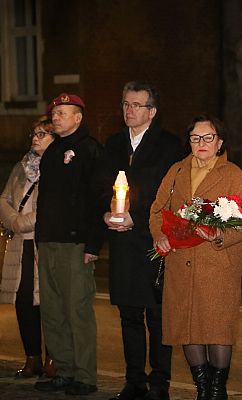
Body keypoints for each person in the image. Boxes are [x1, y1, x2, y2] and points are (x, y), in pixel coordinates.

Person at [150, 115, 242, 399]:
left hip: (217, 266)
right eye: (196, 138)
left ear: (219, 142)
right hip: (180, 263)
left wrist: (220, 235)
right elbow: (157, 209)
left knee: (217, 328)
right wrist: (159, 235)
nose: (201, 143)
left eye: (208, 137)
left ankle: (218, 390)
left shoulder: (232, 174)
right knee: (188, 328)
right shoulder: (177, 170)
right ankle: (202, 389)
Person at [95, 82, 185, 400]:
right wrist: (108, 212)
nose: (129, 110)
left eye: (136, 105)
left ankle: (160, 381)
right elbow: (104, 184)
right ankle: (134, 380)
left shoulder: (170, 145)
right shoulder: (114, 143)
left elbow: (171, 192)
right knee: (129, 314)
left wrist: (139, 215)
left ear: (152, 111)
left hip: (152, 239)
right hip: (121, 242)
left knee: (157, 314)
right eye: (125, 104)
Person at [34, 93, 103, 395]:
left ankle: (85, 376)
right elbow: (46, 200)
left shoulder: (90, 150)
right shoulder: (52, 152)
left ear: (78, 117)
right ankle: (63, 369)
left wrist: (92, 244)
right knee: (51, 310)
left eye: (63, 112)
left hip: (76, 244)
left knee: (77, 311)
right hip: (49, 241)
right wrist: (40, 239)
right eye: (55, 113)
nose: (56, 117)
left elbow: (99, 199)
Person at [0, 116, 56, 379]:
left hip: (44, 243)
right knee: (23, 301)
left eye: (43, 134)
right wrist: (13, 221)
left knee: (48, 302)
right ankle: (31, 357)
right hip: (21, 244)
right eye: (34, 133)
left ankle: (53, 359)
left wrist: (21, 222)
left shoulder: (58, 167)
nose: (35, 138)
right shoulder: (21, 167)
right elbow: (5, 199)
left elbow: (51, 206)